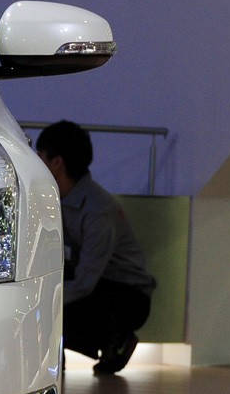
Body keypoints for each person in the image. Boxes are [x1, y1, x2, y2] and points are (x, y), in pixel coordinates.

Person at [36, 120, 156, 374]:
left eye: (41, 157)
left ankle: (116, 340)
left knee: (53, 312)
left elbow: (84, 282)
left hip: (125, 294)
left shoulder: (98, 211)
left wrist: (41, 301)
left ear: (57, 162)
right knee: (49, 299)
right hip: (97, 281)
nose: (36, 164)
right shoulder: (61, 199)